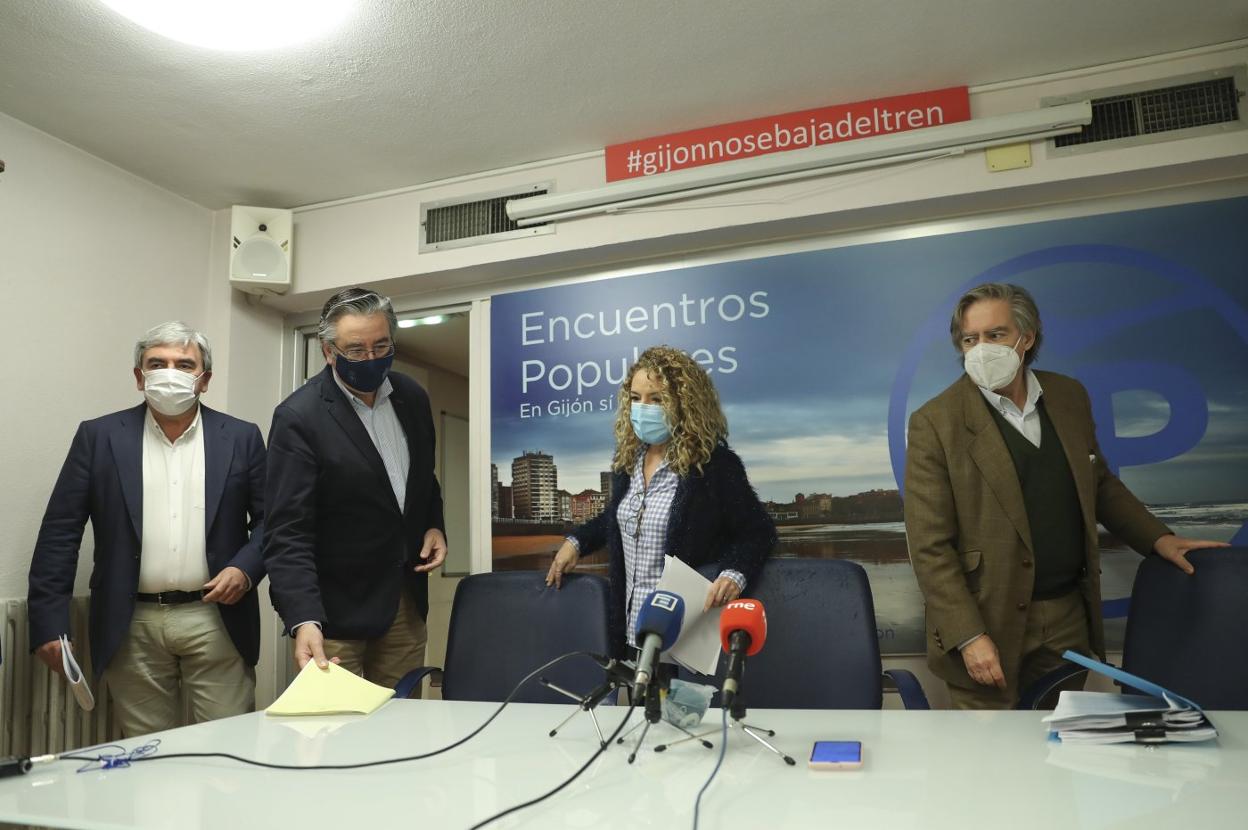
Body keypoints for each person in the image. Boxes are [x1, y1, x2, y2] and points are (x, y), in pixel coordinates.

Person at [904, 282, 1228, 709]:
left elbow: (1099, 484)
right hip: (986, 622)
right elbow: (929, 547)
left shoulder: (1068, 396)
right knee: (990, 761)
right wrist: (968, 635)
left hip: (1065, 617)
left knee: (1058, 751)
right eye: (970, 339)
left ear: (1027, 337)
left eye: (995, 334)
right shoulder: (934, 422)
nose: (980, 348)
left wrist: (1158, 538)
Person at [28, 322, 266, 736]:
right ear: (139, 376)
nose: (169, 372)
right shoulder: (98, 437)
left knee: (232, 745)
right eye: (157, 363)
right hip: (130, 621)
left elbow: (273, 523)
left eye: (183, 364)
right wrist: (48, 623)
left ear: (204, 379)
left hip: (217, 618)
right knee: (148, 753)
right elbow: (60, 532)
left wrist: (245, 569)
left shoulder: (242, 437)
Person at [264, 288, 446, 690]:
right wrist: (302, 618)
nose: (371, 358)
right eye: (356, 349)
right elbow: (286, 531)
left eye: (381, 346)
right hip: (333, 614)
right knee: (336, 732)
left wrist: (434, 525)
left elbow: (421, 480)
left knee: (399, 730)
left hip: (404, 604)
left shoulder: (411, 398)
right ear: (330, 351)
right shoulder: (299, 417)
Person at [546, 345, 776, 658]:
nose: (644, 408)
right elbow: (615, 518)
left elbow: (757, 533)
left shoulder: (714, 465)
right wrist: (576, 542)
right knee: (635, 704)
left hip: (684, 634)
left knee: (679, 708)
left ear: (684, 403)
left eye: (656, 399)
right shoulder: (627, 461)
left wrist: (733, 575)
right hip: (630, 631)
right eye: (636, 398)